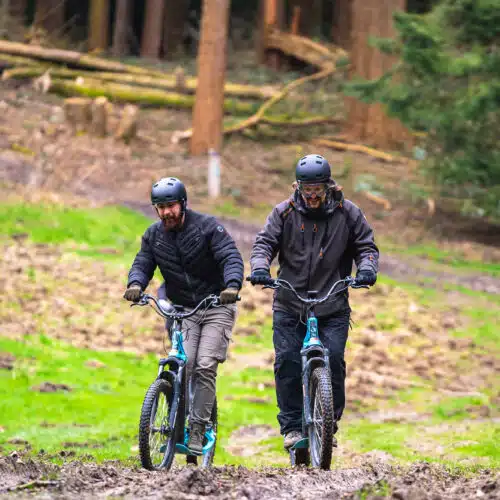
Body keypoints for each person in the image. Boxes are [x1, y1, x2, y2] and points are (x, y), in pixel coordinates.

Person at [248, 154, 379, 449]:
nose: (312, 196)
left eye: (318, 189)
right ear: (298, 186)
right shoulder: (283, 212)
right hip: (290, 302)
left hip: (332, 303)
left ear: (328, 186)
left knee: (333, 360)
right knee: (288, 361)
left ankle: (328, 422)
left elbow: (366, 246)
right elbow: (264, 243)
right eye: (307, 189)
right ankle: (292, 427)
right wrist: (259, 267)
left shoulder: (348, 213)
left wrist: (367, 269)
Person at [124, 177, 244, 455]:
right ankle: (176, 428)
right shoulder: (153, 236)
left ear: (183, 204)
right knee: (184, 364)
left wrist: (231, 286)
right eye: (161, 207)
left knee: (204, 365)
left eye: (171, 206)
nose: (166, 212)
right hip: (183, 309)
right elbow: (143, 262)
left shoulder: (207, 227)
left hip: (216, 305)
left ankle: (199, 429)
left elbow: (230, 256)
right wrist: (135, 284)